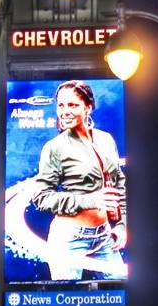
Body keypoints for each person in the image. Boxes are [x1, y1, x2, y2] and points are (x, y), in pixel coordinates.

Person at [19, 81, 126, 281]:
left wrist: (120, 225)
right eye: (61, 105)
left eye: (72, 105)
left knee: (120, 305)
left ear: (88, 107)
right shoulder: (54, 147)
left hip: (104, 236)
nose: (65, 111)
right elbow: (41, 197)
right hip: (69, 238)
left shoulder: (106, 140)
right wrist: (90, 201)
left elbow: (119, 183)